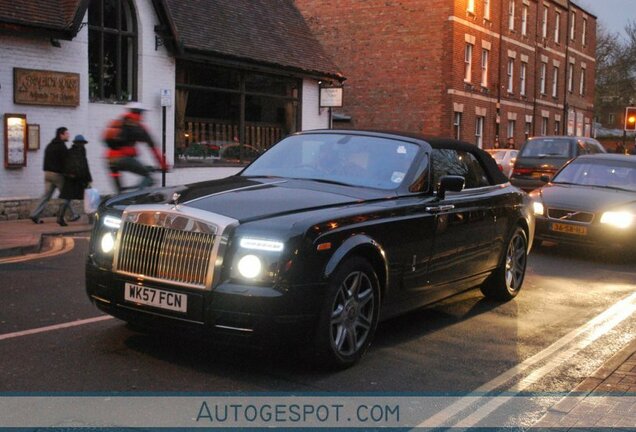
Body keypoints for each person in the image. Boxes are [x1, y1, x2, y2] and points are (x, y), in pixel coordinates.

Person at [104, 103, 167, 193]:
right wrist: (163, 165)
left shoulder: (118, 122)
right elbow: (153, 148)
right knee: (147, 176)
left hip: (110, 160)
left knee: (119, 190)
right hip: (123, 159)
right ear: (140, 113)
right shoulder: (139, 127)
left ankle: (119, 196)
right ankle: (138, 196)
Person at [30, 127, 71, 224]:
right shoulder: (62, 146)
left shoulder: (49, 145)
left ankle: (35, 214)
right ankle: (72, 214)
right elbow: (65, 162)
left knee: (46, 196)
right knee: (67, 194)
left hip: (47, 174)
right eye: (66, 133)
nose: (68, 135)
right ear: (61, 135)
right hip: (57, 175)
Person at [57, 135, 92, 226]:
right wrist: (88, 179)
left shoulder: (69, 152)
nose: (83, 145)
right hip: (80, 180)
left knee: (68, 199)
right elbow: (84, 166)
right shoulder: (81, 152)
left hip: (70, 179)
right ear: (80, 144)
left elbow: (63, 165)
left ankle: (60, 217)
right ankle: (91, 219)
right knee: (88, 198)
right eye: (82, 143)